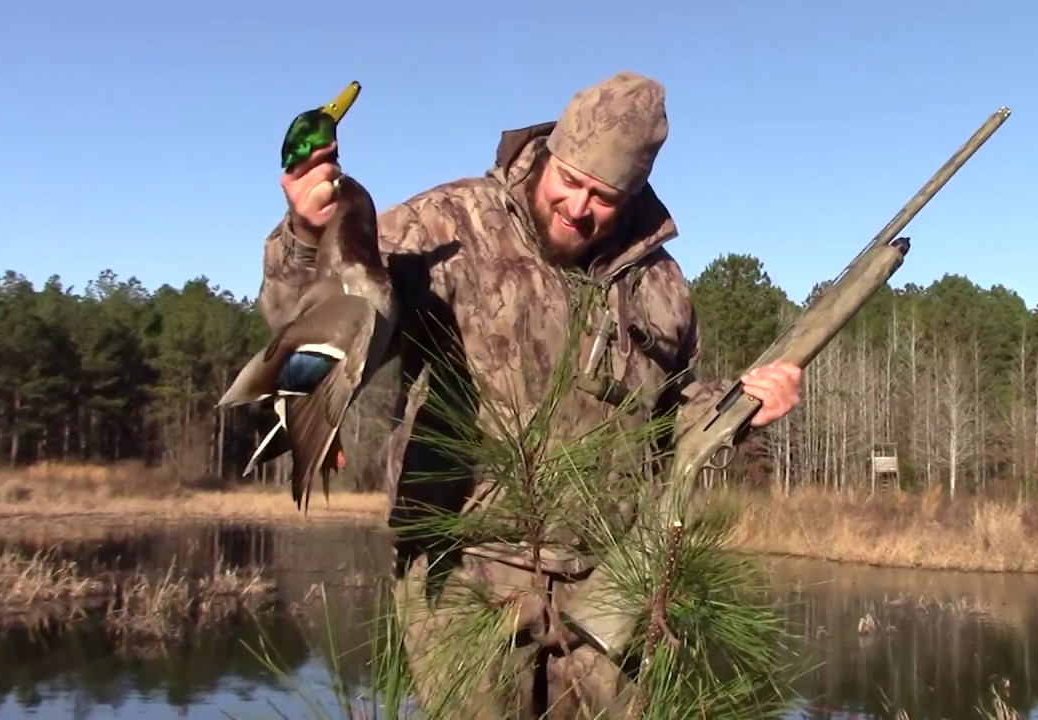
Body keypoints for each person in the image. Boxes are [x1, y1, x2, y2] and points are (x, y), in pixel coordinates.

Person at [257, 71, 803, 719]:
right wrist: (306, 235)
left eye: (603, 197)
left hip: (612, 581)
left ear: (632, 196)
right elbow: (315, 325)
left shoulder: (660, 282)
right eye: (569, 181)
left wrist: (739, 404)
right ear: (546, 153)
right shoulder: (449, 224)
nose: (578, 207)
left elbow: (664, 415)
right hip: (466, 576)